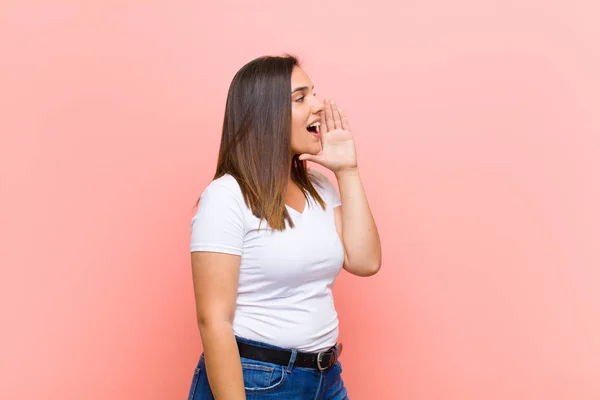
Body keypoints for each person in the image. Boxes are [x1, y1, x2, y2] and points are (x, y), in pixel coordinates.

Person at [187, 54, 382, 400]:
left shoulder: (320, 187)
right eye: (301, 98)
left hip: (326, 378)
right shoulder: (226, 197)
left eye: (314, 94)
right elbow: (214, 322)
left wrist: (347, 171)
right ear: (267, 114)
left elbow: (365, 262)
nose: (318, 106)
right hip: (260, 383)